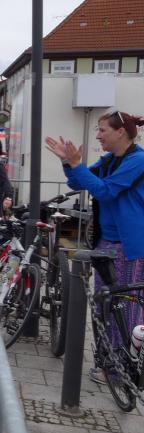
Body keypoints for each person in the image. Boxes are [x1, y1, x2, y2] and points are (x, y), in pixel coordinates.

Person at [45, 110, 144, 384]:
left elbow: (104, 191)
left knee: (125, 308)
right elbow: (79, 181)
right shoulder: (111, 159)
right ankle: (107, 364)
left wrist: (77, 164)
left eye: (102, 130)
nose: (98, 136)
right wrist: (68, 163)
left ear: (120, 132)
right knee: (104, 305)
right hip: (106, 241)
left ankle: (122, 371)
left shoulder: (137, 161)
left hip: (129, 245)